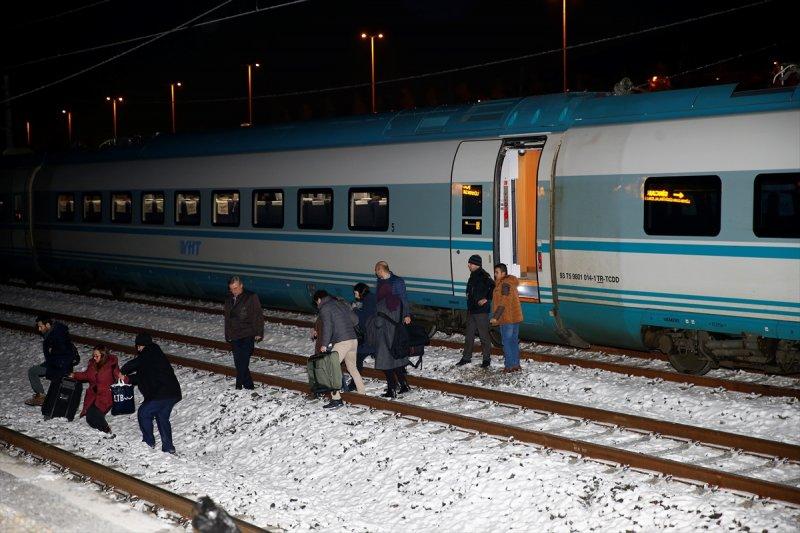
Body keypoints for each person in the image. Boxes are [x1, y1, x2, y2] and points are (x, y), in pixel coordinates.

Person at [121, 333, 182, 453]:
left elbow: (136, 363)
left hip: (161, 392)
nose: (138, 349)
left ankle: (148, 442)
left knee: (144, 413)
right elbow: (143, 376)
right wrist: (127, 379)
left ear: (142, 345)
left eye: (139, 346)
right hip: (171, 393)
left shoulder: (150, 351)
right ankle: (168, 447)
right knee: (162, 417)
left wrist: (122, 370)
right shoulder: (153, 358)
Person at [314, 290, 364, 409]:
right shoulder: (341, 304)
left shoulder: (325, 308)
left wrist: (324, 344)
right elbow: (355, 320)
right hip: (353, 340)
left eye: (316, 302)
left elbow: (327, 327)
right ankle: (362, 394)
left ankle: (336, 399)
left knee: (331, 368)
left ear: (319, 300)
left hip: (342, 342)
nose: (317, 305)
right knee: (352, 367)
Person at [370, 261, 411, 398]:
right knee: (396, 357)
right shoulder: (382, 283)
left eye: (377, 270)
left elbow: (404, 299)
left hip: (386, 330)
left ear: (382, 269)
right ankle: (404, 385)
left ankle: (392, 388)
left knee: (386, 359)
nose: (376, 273)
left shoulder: (397, 282)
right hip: (395, 326)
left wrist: (407, 315)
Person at [25, 315, 77, 406]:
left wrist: (53, 354)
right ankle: (41, 396)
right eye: (38, 327)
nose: (39, 329)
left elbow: (66, 352)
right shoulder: (52, 333)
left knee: (33, 372)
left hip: (60, 366)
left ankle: (42, 397)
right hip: (54, 363)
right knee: (33, 371)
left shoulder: (57, 335)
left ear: (48, 325)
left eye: (41, 326)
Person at [223, 276, 264, 390]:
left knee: (244, 360)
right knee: (238, 361)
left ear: (241, 285)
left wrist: (259, 332)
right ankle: (249, 386)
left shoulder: (251, 296)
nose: (233, 291)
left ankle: (238, 385)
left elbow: (258, 315)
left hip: (248, 333)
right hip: (234, 334)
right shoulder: (228, 298)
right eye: (231, 289)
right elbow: (227, 318)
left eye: (235, 288)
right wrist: (227, 334)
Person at [70, 345, 121, 435]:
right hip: (94, 395)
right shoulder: (92, 364)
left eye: (96, 356)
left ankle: (106, 429)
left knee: (94, 414)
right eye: (93, 355)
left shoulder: (111, 365)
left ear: (103, 356)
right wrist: (74, 375)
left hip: (106, 396)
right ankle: (101, 425)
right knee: (90, 417)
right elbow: (86, 375)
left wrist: (127, 380)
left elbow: (120, 377)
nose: (94, 358)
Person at [455, 255, 494, 368]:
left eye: (470, 263)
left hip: (481, 311)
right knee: (469, 335)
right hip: (472, 310)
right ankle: (466, 358)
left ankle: (486, 359)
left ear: (476, 264)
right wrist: (468, 294)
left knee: (484, 336)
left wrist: (486, 299)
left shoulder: (484, 276)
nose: (468, 265)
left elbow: (493, 288)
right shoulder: (473, 275)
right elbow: (470, 288)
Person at [489, 263, 523, 372]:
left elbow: (503, 301)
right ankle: (516, 364)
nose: (495, 275)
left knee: (507, 342)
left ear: (503, 273)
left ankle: (509, 366)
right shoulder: (510, 282)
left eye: (497, 272)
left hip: (507, 318)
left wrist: (495, 317)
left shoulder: (504, 284)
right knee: (513, 341)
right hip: (515, 318)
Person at [346, 282, 376, 391]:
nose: (355, 295)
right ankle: (399, 383)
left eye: (355, 293)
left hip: (369, 337)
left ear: (360, 292)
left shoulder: (368, 301)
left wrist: (355, 310)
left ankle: (354, 384)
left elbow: (364, 320)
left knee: (357, 359)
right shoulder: (371, 298)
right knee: (387, 364)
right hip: (374, 336)